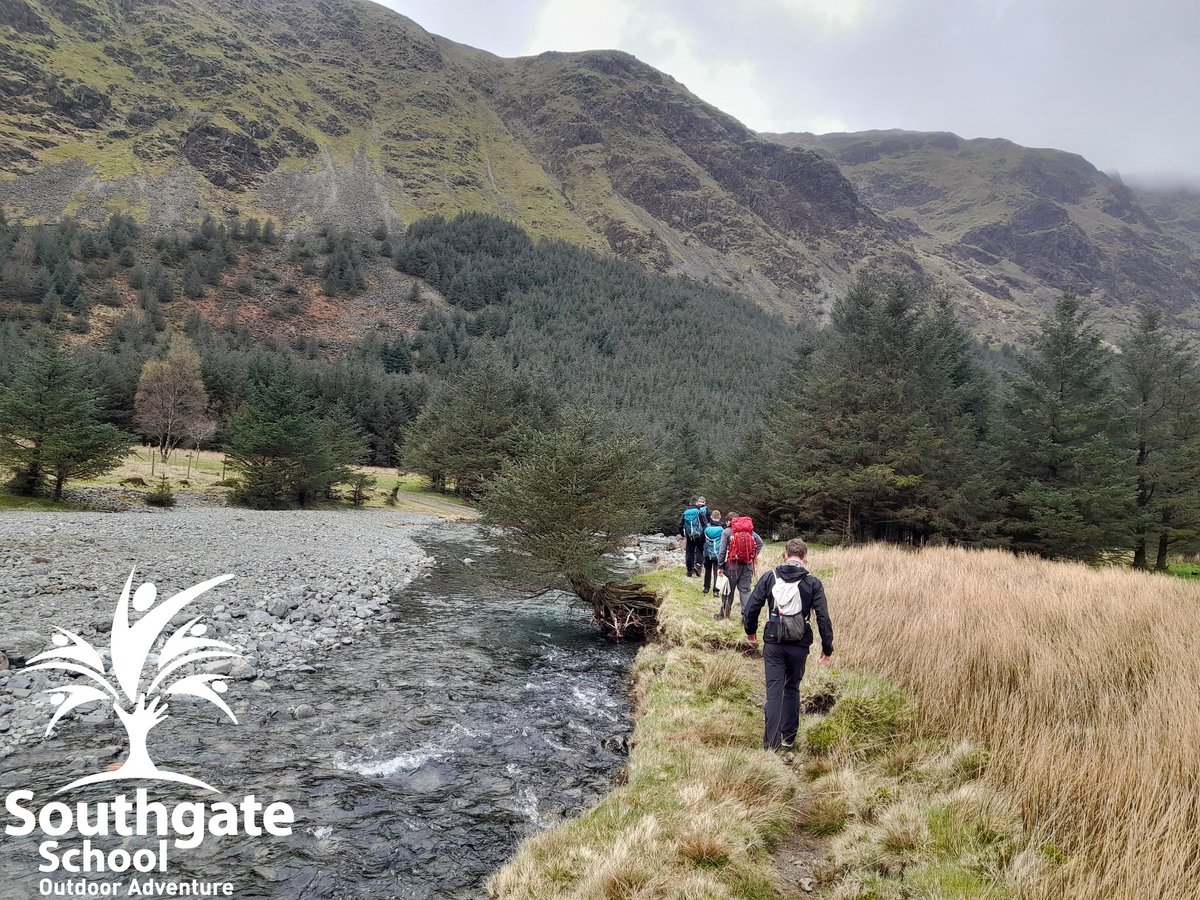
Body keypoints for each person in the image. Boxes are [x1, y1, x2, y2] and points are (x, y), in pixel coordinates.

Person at [743, 538, 833, 751]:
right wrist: (827, 648)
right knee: (792, 687)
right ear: (805, 558)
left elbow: (752, 606)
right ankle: (789, 737)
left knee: (774, 690)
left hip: (773, 642)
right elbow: (823, 618)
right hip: (799, 644)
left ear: (785, 555)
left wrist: (750, 631)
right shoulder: (813, 582)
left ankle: (771, 744)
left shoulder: (769, 577)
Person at [717, 512, 762, 616]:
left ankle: (724, 613)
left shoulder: (727, 532)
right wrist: (752, 556)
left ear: (728, 521)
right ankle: (746, 616)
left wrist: (720, 566)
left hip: (732, 566)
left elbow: (722, 551)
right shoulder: (750, 532)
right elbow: (760, 542)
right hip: (747, 565)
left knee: (728, 590)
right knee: (745, 591)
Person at [679, 497, 709, 577]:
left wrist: (682, 534)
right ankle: (698, 567)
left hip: (689, 535)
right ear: (696, 503)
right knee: (699, 551)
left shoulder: (685, 512)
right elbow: (705, 524)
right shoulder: (699, 512)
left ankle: (689, 571)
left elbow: (680, 525)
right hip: (699, 535)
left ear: (689, 503)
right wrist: (704, 534)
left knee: (689, 552)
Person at [702, 510, 724, 598]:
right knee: (716, 572)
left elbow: (702, 540)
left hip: (707, 552)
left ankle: (706, 588)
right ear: (719, 517)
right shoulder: (722, 529)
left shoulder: (706, 528)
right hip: (718, 554)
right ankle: (716, 591)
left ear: (711, 517)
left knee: (707, 570)